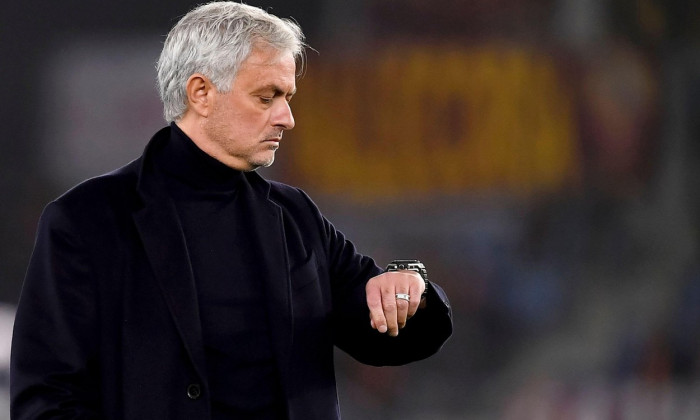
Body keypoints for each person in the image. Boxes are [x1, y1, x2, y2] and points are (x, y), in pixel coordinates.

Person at [10, 2, 452, 419]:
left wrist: (412, 286)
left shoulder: (296, 218)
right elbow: (47, 399)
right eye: (267, 97)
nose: (287, 117)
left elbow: (391, 336)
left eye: (288, 97)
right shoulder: (87, 220)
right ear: (201, 92)